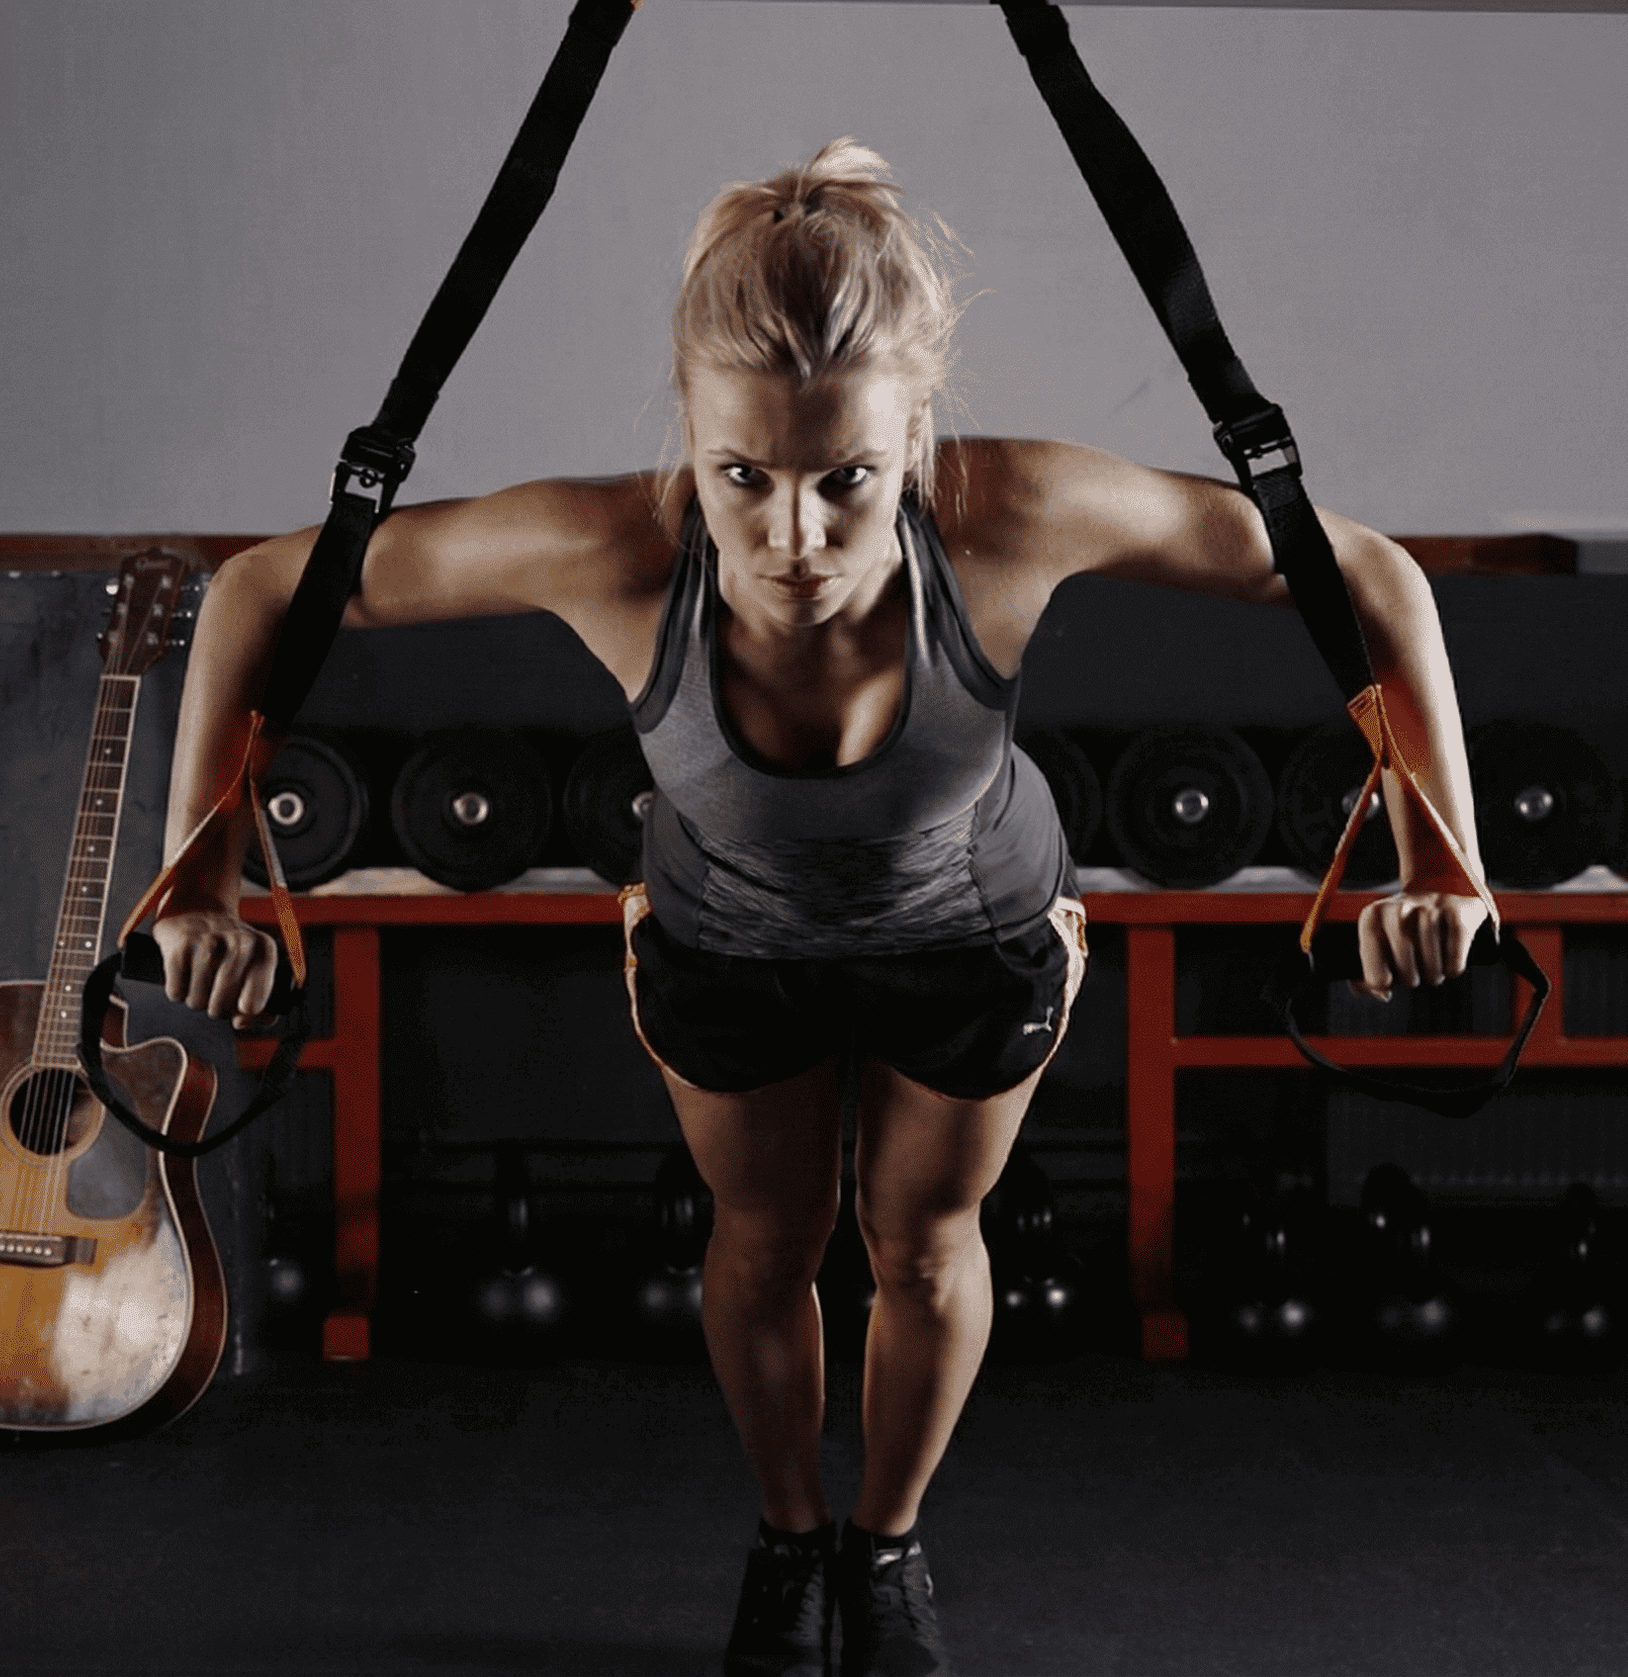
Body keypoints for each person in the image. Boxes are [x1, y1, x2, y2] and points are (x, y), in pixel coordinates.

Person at [152, 140, 1487, 1677]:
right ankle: (792, 1542)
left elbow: (1364, 573)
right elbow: (262, 586)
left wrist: (1441, 856)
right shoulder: (612, 548)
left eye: (847, 478)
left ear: (915, 435)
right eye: (745, 477)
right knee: (764, 1240)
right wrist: (203, 872)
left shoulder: (1007, 511)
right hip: (733, 942)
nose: (793, 537)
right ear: (693, 437)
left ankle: (889, 1544)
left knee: (921, 1245)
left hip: (975, 937)